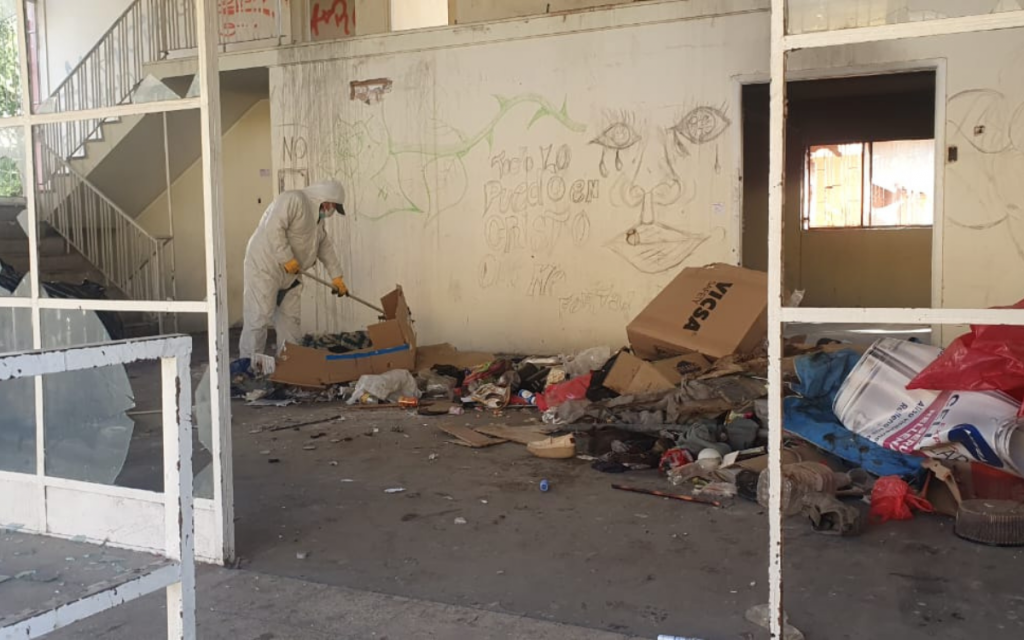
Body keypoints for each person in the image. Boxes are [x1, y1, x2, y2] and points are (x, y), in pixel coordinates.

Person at [239, 180, 349, 361]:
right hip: (266, 266)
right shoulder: (294, 200)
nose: (331, 213)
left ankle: (290, 364)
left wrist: (337, 277)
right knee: (259, 317)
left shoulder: (317, 222)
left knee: (290, 320)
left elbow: (325, 247)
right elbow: (273, 228)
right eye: (333, 208)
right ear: (326, 201)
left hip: (292, 274)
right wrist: (286, 258)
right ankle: (247, 366)